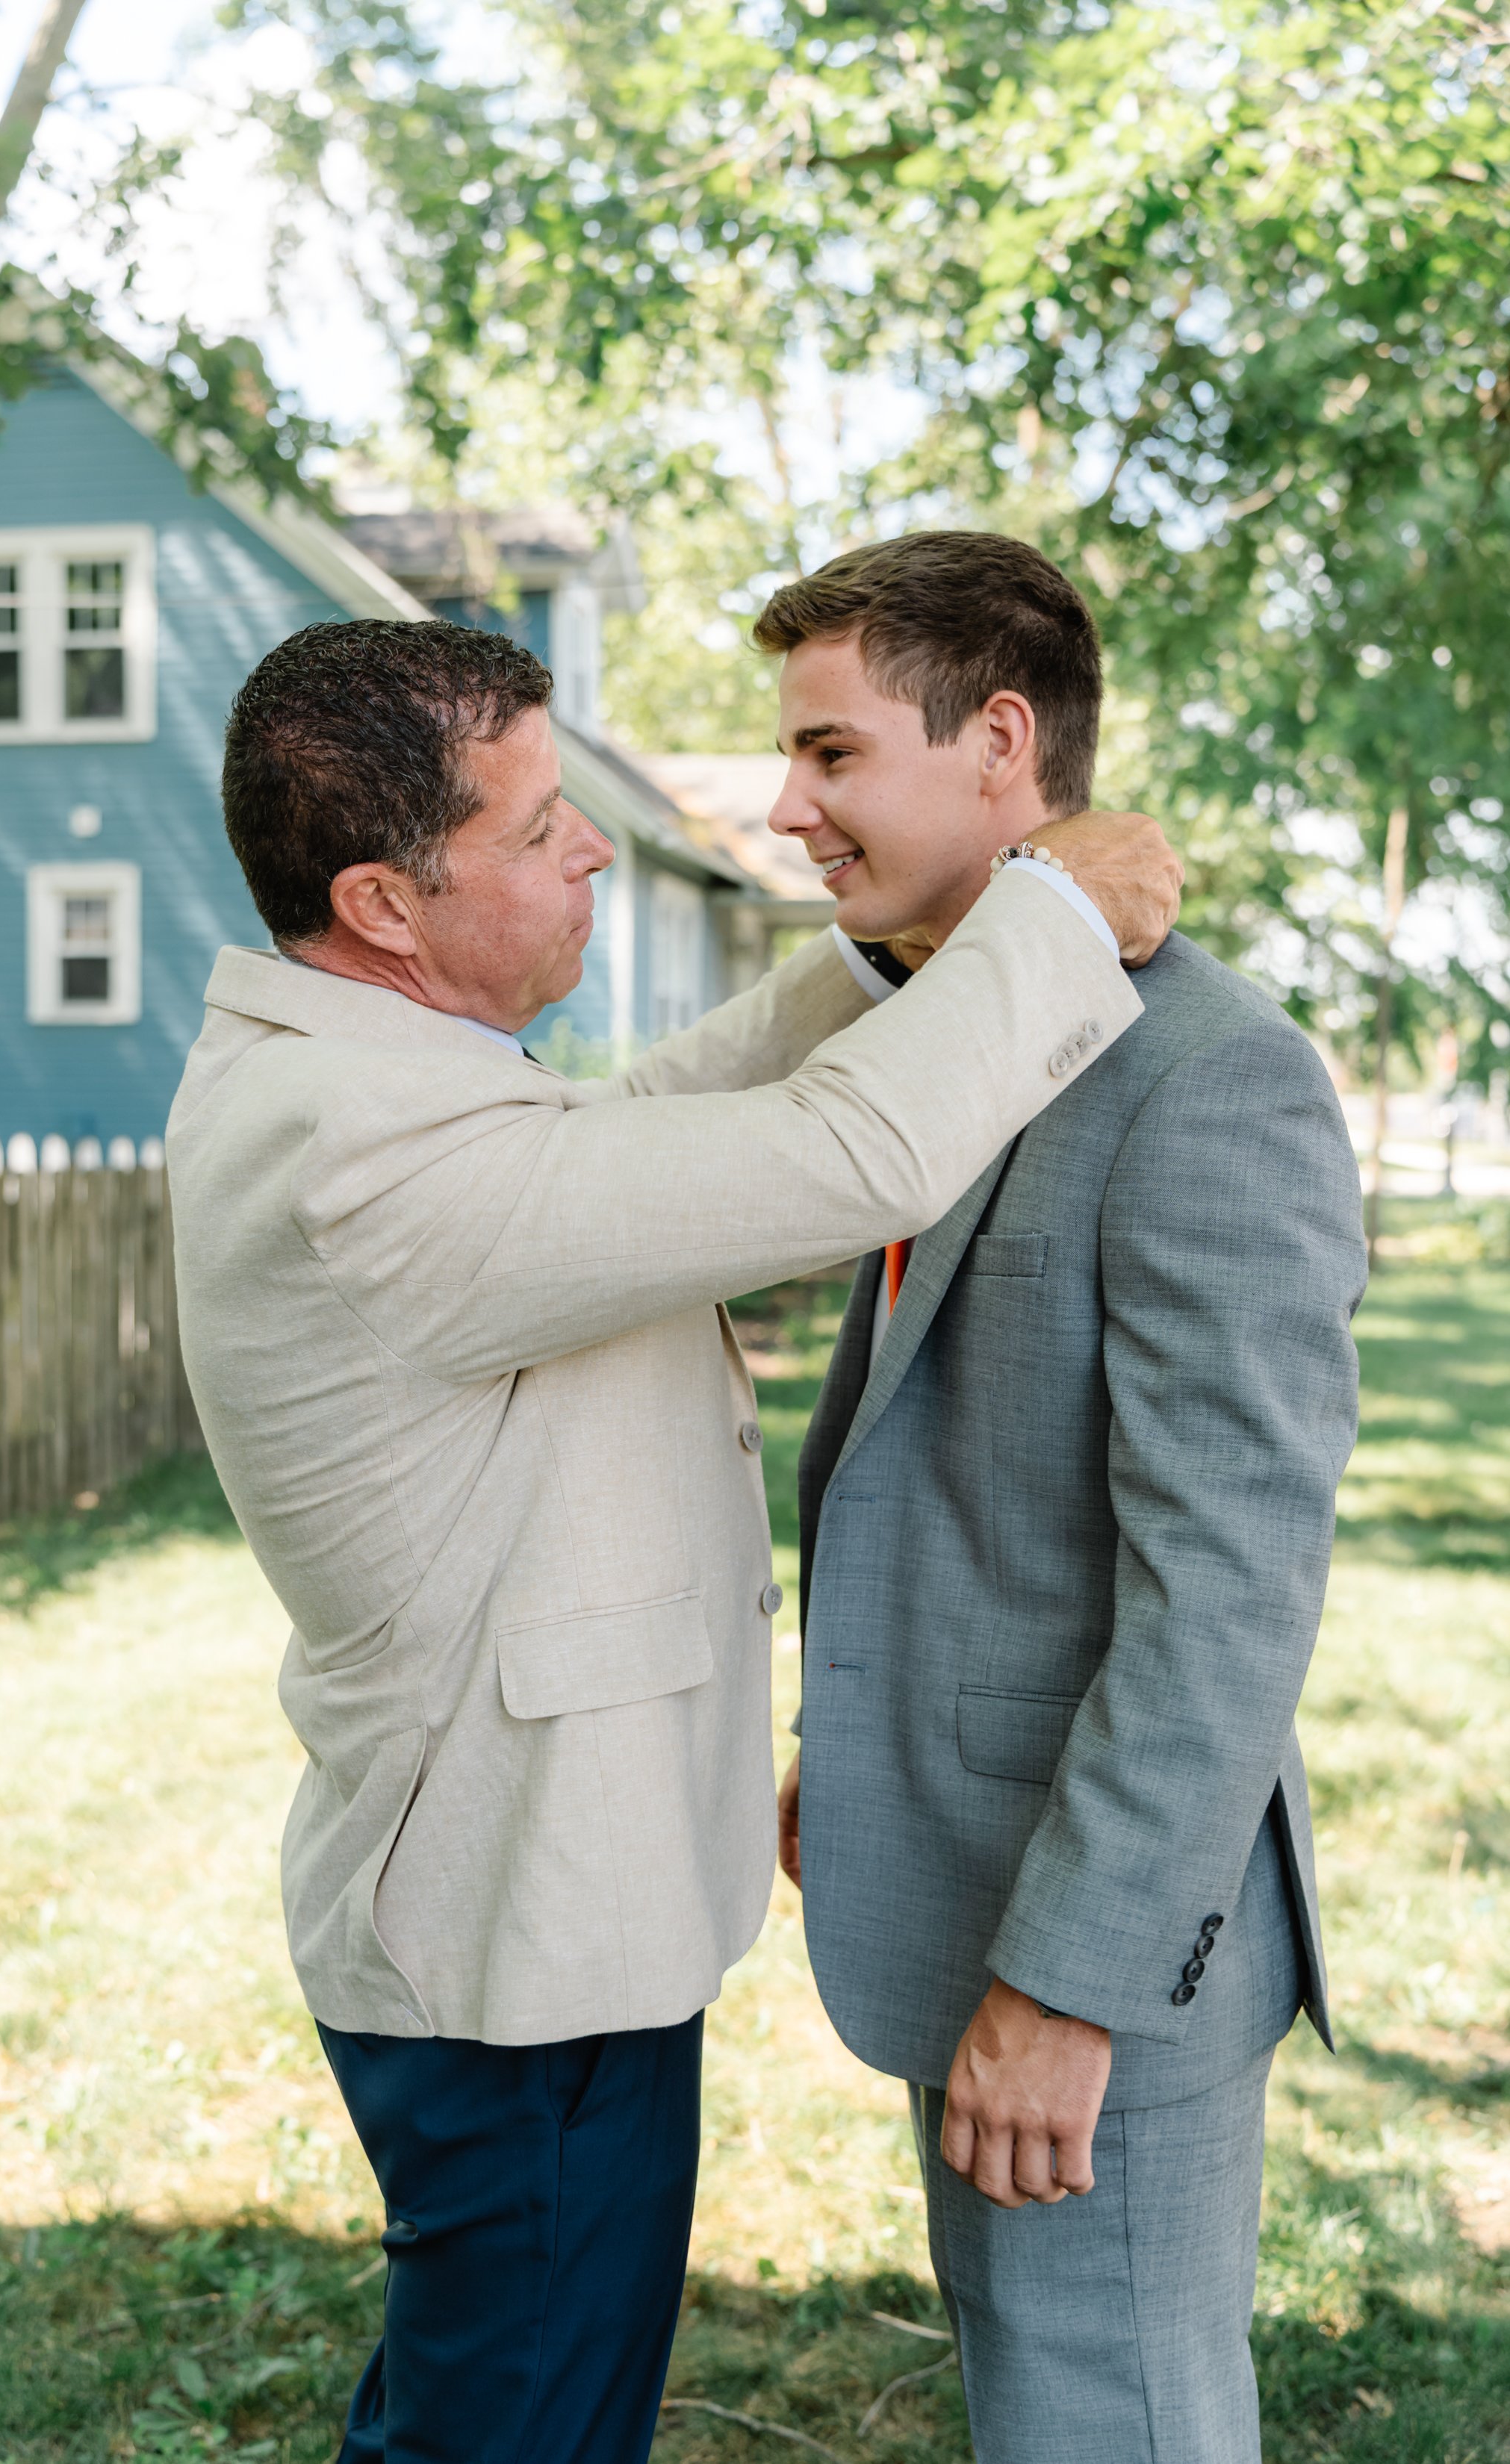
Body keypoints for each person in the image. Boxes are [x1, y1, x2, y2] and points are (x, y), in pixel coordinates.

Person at [166, 615, 1177, 2464]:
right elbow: (841, 1162)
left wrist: (887, 956)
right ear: (385, 901)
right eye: (539, 823)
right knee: (523, 2430)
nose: (592, 853)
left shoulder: (379, 1071)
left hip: (542, 1895)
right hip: (512, 1940)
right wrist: (1039, 907)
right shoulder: (356, 1146)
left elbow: (631, 1133)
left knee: (486, 2395)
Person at [765, 532, 1367, 2464]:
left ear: (999, 738)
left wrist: (1066, 1986)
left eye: (833, 754)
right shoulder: (951, 1033)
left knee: (1111, 2418)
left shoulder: (1207, 1078)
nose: (789, 807)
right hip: (968, 1869)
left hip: (1092, 1948)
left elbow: (1231, 1587)